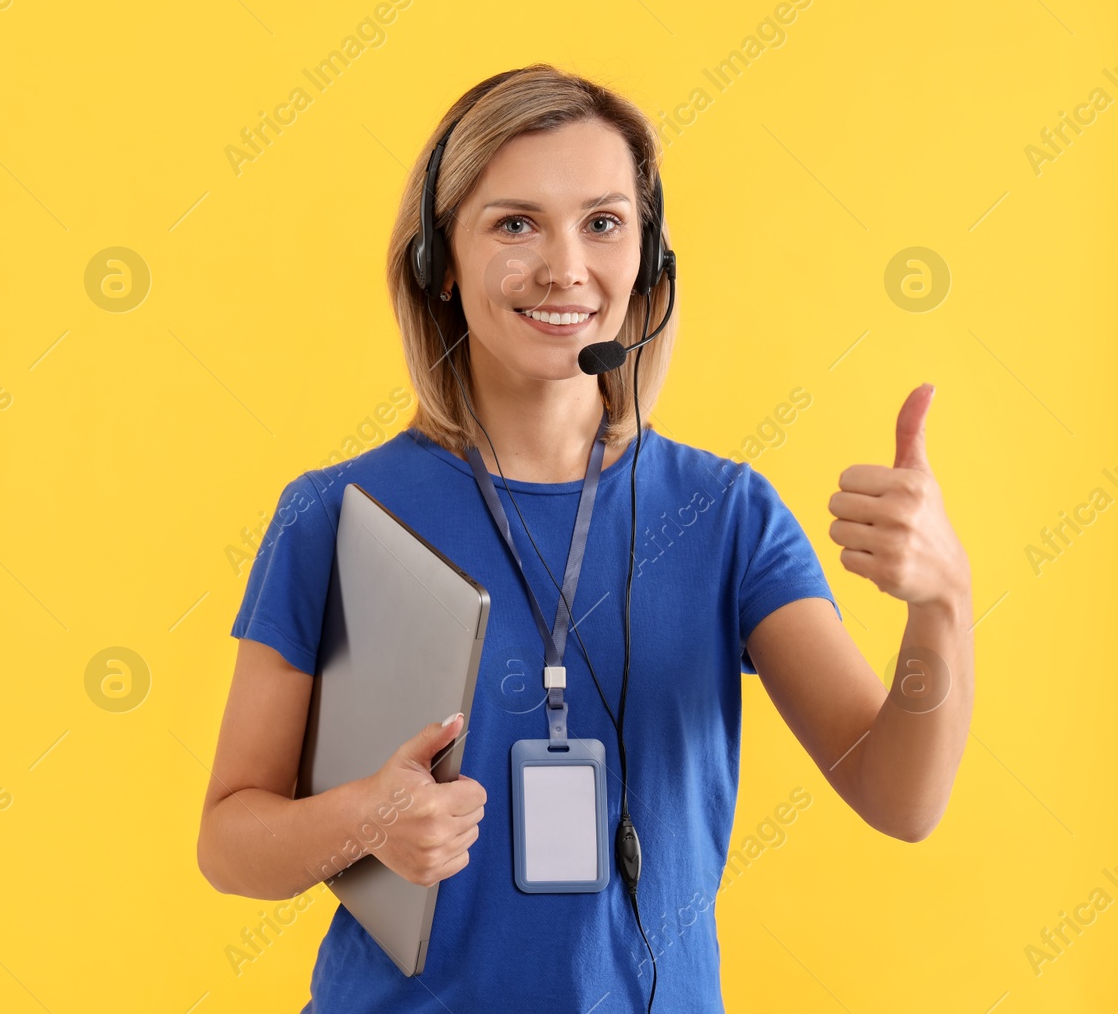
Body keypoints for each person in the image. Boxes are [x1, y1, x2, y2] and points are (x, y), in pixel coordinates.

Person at [196, 63, 973, 1012]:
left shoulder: (726, 514)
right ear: (440, 260)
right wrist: (367, 819)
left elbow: (900, 797)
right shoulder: (332, 514)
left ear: (650, 261)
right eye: (515, 223)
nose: (565, 266)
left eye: (603, 223)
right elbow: (230, 842)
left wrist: (943, 605)